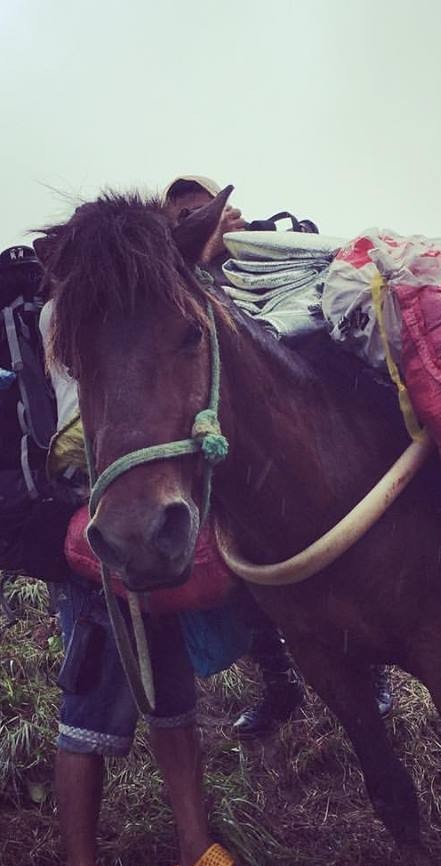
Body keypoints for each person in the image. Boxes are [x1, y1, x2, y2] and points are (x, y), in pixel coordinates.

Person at [38, 296, 241, 866]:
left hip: (140, 523)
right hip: (93, 536)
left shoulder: (129, 318)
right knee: (90, 712)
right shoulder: (68, 317)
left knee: (172, 696)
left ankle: (195, 845)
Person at [161, 175, 395, 736]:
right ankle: (280, 686)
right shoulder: (172, 283)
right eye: (178, 218)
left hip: (306, 447)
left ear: (226, 210)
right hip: (230, 457)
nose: (189, 224)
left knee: (344, 563)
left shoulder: (265, 253)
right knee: (245, 579)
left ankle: (374, 672)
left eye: (199, 211)